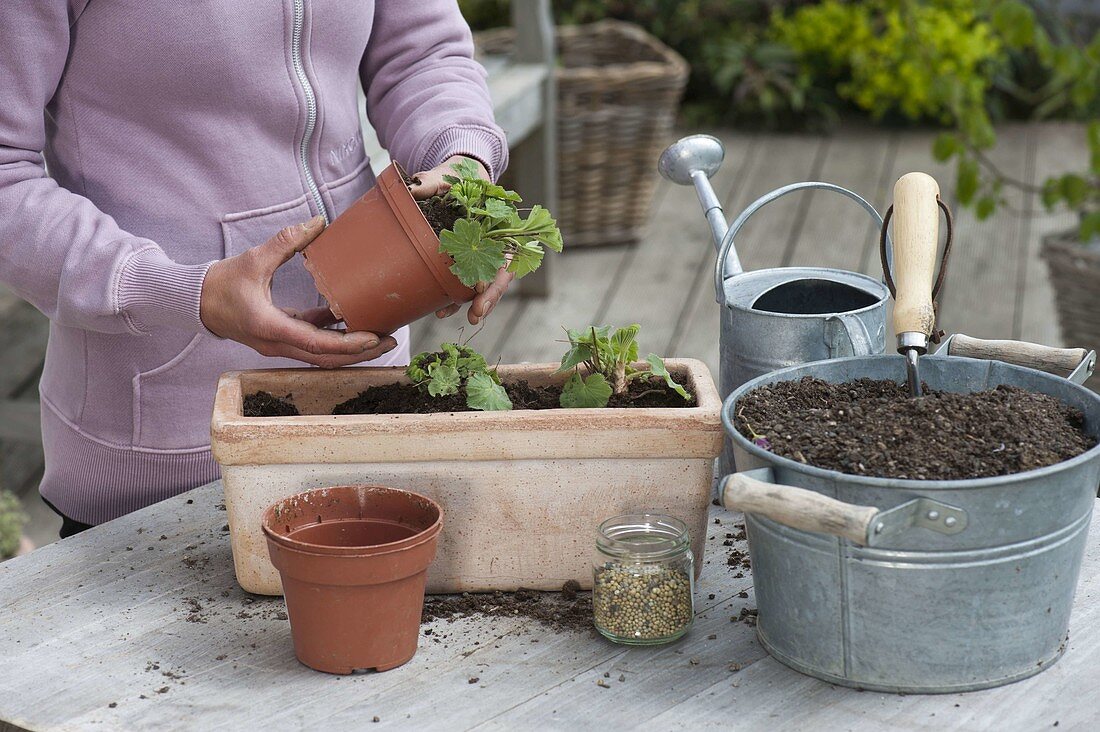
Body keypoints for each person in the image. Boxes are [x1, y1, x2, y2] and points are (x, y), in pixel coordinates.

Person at [0, 2, 512, 537]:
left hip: (370, 400)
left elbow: (422, 54)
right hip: (167, 457)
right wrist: (183, 292)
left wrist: (463, 166)